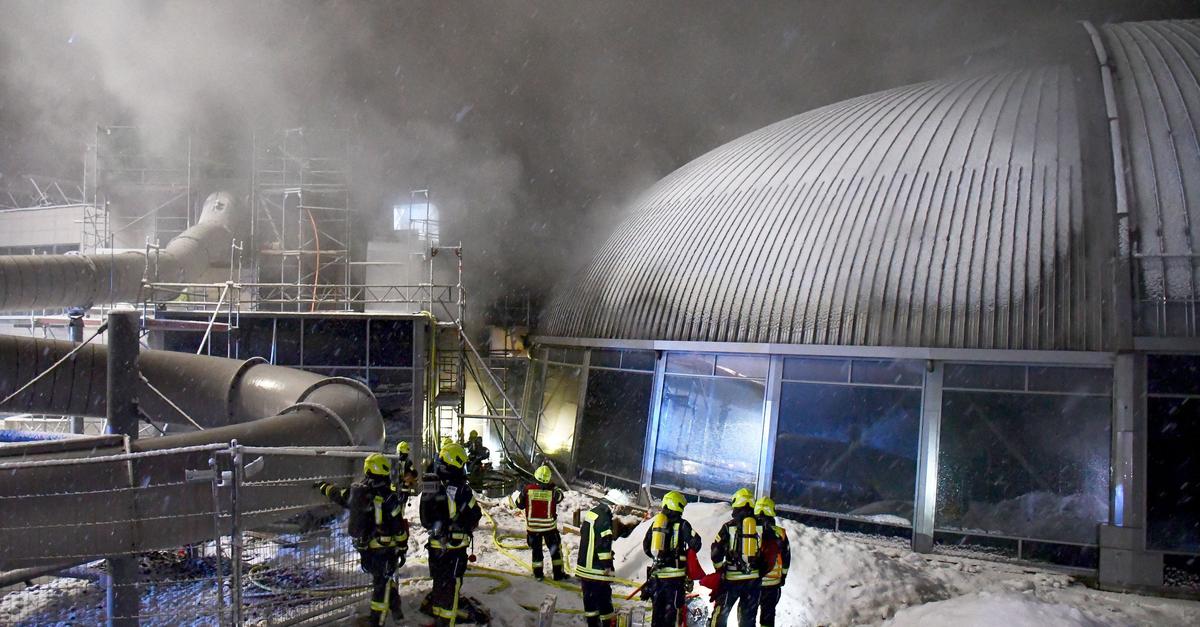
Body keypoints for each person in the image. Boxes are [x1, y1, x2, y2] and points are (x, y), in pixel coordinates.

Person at [316, 453, 408, 626]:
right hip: (386, 549)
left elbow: (341, 496)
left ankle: (397, 611)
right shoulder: (389, 496)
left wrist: (324, 487)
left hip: (368, 549)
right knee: (382, 584)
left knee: (383, 579)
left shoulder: (359, 492)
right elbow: (398, 526)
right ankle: (377, 621)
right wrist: (402, 546)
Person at [419, 441, 482, 627]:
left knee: (440, 582)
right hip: (455, 548)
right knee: (452, 585)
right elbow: (475, 514)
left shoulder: (431, 484)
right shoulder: (462, 490)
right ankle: (446, 621)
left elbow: (425, 517)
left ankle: (438, 612)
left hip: (436, 546)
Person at [642, 490, 701, 627]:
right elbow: (696, 543)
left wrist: (659, 557)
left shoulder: (656, 524)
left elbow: (646, 546)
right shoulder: (683, 524)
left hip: (657, 578)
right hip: (674, 580)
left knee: (657, 615)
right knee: (670, 616)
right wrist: (682, 554)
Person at [709, 488, 762, 627]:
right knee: (747, 620)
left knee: (720, 616)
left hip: (731, 581)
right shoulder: (762, 527)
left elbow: (716, 552)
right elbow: (770, 554)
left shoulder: (728, 527)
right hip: (753, 581)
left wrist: (719, 570)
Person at [514, 464, 567, 580]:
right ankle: (558, 575)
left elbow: (518, 504)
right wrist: (553, 487)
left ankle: (538, 574)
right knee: (555, 552)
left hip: (533, 529)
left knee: (536, 552)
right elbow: (560, 497)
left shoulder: (528, 490)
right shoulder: (553, 492)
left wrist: (524, 492)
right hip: (549, 528)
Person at [576, 493, 620, 626]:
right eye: (617, 507)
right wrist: (608, 565)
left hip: (584, 567)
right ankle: (607, 624)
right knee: (604, 601)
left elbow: (589, 536)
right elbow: (603, 544)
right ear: (612, 505)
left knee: (590, 602)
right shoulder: (604, 518)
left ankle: (592, 623)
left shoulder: (593, 513)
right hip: (597, 570)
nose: (618, 510)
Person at [754, 497, 790, 627]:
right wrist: (783, 577)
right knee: (768, 617)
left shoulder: (749, 531)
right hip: (772, 584)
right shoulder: (781, 533)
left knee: (747, 616)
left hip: (753, 582)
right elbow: (786, 559)